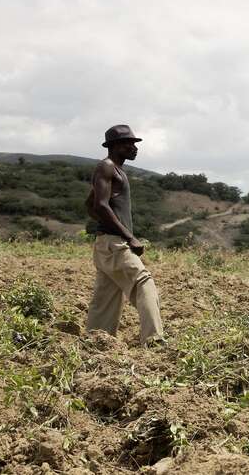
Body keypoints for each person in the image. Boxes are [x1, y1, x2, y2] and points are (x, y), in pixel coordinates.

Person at [84, 125, 164, 345]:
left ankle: (96, 341)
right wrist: (129, 236)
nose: (134, 148)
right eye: (129, 143)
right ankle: (154, 340)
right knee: (143, 282)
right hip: (115, 244)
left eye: (135, 144)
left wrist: (105, 226)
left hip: (107, 243)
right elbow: (100, 205)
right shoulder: (107, 167)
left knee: (106, 296)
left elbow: (91, 204)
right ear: (115, 146)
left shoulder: (114, 170)